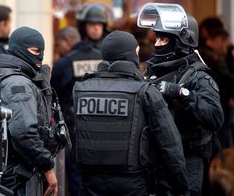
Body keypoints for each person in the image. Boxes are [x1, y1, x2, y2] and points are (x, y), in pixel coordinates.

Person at [73, 30, 189, 196]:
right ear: (134, 54)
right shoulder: (146, 92)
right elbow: (170, 146)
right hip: (134, 185)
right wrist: (182, 188)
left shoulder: (81, 89)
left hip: (90, 185)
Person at [143, 10, 224, 195]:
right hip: (158, 158)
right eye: (157, 39)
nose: (157, 45)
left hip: (189, 158)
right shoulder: (153, 71)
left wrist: (180, 93)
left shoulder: (198, 75)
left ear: (180, 42)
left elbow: (215, 116)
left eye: (163, 40)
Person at [0, 27, 62, 196]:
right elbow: (23, 132)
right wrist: (47, 166)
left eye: (42, 51)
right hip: (19, 175)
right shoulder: (18, 83)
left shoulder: (7, 74)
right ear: (18, 48)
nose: (39, 56)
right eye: (34, 50)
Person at [50, 4, 106, 196]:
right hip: (82, 124)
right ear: (84, 27)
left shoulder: (68, 61)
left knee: (80, 175)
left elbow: (52, 92)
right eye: (92, 24)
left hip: (88, 125)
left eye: (100, 24)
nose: (96, 28)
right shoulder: (106, 59)